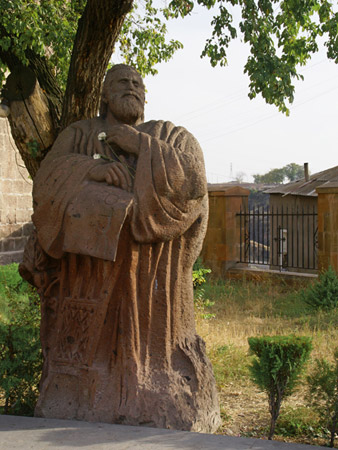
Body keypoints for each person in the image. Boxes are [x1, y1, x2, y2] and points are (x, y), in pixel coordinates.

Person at [20, 64, 220, 431]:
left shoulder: (169, 135)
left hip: (151, 287)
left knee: (148, 361)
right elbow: (47, 180)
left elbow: (193, 185)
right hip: (86, 280)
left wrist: (140, 145)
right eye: (122, 82)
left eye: (138, 84)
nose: (132, 87)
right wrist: (89, 170)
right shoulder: (80, 134)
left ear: (145, 97)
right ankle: (78, 393)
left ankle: (153, 385)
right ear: (105, 94)